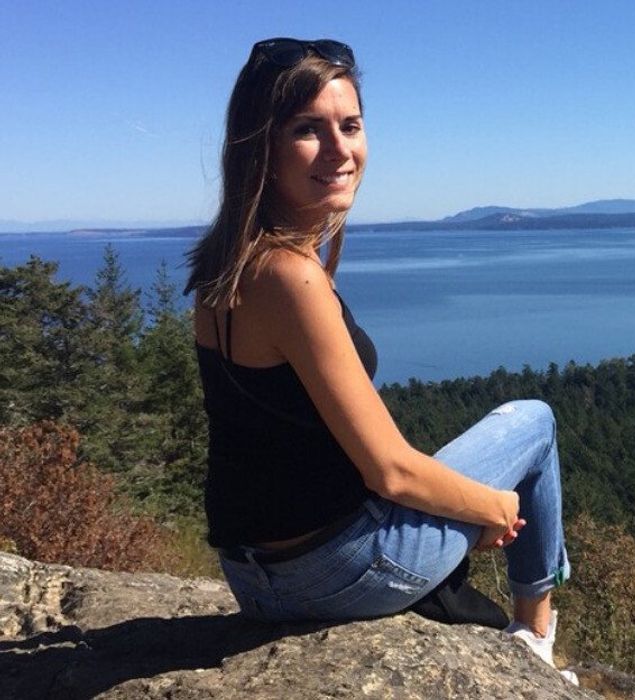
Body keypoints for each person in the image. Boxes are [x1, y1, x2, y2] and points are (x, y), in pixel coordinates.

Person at [183, 38, 575, 682]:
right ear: (263, 146)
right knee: (532, 421)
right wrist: (491, 509)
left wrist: (459, 508)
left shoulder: (228, 268)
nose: (340, 150)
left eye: (351, 125)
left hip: (254, 576)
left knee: (461, 483)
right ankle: (535, 631)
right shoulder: (289, 277)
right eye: (309, 130)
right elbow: (392, 473)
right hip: (333, 572)